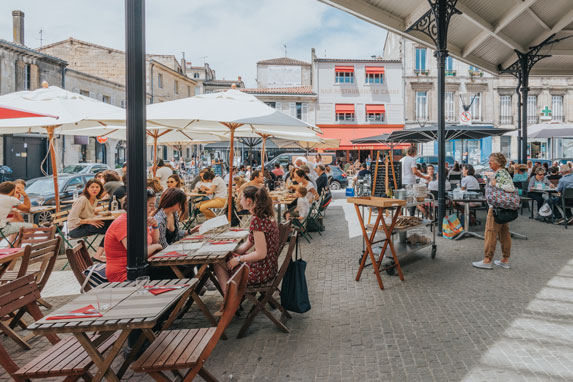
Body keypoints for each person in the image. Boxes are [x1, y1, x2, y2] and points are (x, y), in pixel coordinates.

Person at [213, 186, 279, 305]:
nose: (239, 200)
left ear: (248, 200)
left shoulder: (257, 220)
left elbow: (260, 254)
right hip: (269, 267)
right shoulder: (266, 217)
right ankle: (233, 299)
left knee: (217, 262)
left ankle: (229, 303)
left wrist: (238, 259)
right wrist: (231, 251)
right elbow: (249, 244)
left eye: (241, 197)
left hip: (261, 271)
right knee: (223, 259)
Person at [104, 191, 164, 282]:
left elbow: (154, 241)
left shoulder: (137, 220)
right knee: (180, 271)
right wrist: (157, 247)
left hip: (142, 267)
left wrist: (155, 226)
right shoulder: (124, 223)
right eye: (150, 205)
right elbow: (136, 254)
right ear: (139, 204)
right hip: (125, 274)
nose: (153, 208)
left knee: (183, 269)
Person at [472, 153, 513, 270]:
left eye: (491, 160)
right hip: (504, 207)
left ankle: (487, 259)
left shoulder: (500, 173)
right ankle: (505, 259)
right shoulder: (503, 172)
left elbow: (510, 188)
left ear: (498, 162)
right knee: (504, 232)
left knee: (490, 232)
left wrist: (496, 183)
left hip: (496, 207)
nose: (489, 162)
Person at [68, 179, 110, 261]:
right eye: (92, 187)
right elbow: (72, 219)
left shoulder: (94, 199)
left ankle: (99, 255)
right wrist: (90, 221)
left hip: (85, 225)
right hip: (75, 230)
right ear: (87, 188)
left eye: (97, 187)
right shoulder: (82, 199)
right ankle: (98, 255)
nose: (95, 189)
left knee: (112, 226)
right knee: (111, 229)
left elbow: (89, 213)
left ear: (100, 189)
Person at [401, 145, 431, 215]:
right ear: (414, 152)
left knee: (403, 200)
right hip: (410, 182)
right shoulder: (412, 159)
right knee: (412, 201)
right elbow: (414, 171)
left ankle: (401, 216)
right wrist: (424, 177)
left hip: (402, 182)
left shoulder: (401, 160)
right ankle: (412, 216)